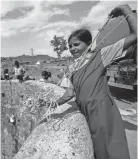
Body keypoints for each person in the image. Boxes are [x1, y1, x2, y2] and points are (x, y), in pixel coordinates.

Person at [51, 5, 136, 159]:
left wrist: (125, 10)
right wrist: (53, 103)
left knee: (113, 149)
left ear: (89, 43)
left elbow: (135, 35)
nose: (72, 49)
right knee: (97, 151)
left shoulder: (102, 54)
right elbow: (70, 93)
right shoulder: (72, 68)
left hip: (103, 110)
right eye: (70, 46)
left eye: (76, 44)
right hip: (86, 113)